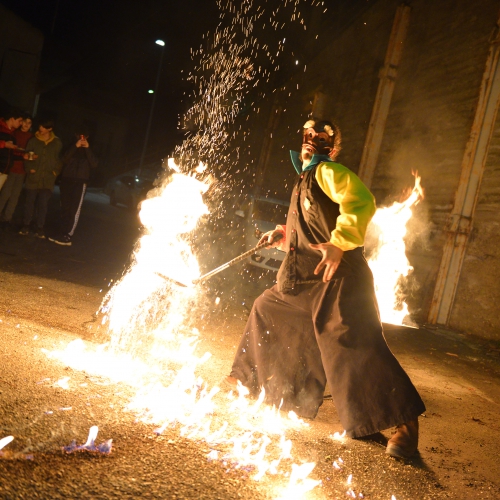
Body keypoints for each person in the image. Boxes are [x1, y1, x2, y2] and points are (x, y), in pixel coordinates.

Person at [227, 118, 426, 459]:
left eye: (321, 137)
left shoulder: (329, 173)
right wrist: (284, 234)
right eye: (307, 134)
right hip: (305, 279)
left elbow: (360, 201)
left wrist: (341, 242)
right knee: (269, 308)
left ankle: (405, 425)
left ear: (331, 149)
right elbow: (313, 225)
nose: (311, 140)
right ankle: (254, 385)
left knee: (352, 342)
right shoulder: (304, 178)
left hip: (340, 276)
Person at [48, 130, 98, 246]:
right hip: (67, 180)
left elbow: (94, 163)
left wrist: (87, 148)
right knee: (65, 207)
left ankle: (68, 235)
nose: (81, 138)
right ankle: (62, 232)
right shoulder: (70, 145)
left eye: (84, 136)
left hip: (81, 182)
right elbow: (64, 159)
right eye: (79, 135)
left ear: (88, 136)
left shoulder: (91, 148)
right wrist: (75, 146)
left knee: (74, 209)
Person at [19, 119, 62, 238]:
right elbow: (28, 156)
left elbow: (59, 160)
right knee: (29, 203)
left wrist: (55, 172)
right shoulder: (33, 140)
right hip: (34, 176)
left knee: (43, 204)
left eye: (43, 127)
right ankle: (26, 224)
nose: (40, 129)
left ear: (49, 129)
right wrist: (30, 168)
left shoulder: (56, 143)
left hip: (47, 179)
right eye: (40, 126)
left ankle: (39, 227)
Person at [0, 114, 33, 230]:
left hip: (22, 170)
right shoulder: (14, 133)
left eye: (29, 123)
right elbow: (9, 152)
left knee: (15, 196)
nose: (25, 125)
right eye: (24, 122)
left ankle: (6, 218)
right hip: (12, 168)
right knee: (5, 194)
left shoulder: (31, 137)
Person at [0, 109, 24, 188]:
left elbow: (10, 154)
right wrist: (4, 144)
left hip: (4, 170)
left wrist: (23, 156)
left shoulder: (13, 134)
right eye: (19, 121)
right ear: (12, 118)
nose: (21, 124)